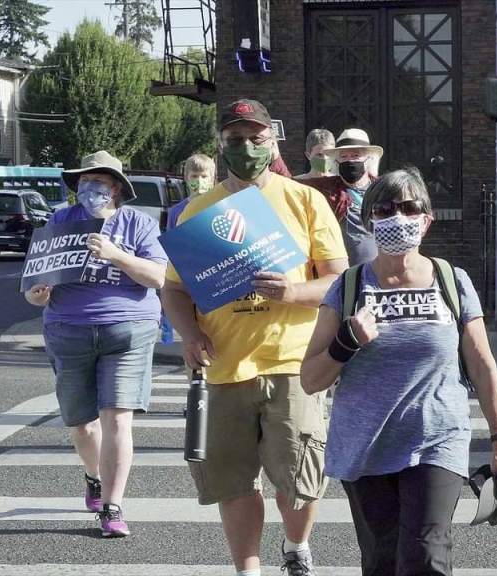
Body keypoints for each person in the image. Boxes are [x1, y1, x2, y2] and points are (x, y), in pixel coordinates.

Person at [300, 168, 497, 576]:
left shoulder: (452, 281)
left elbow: (482, 365)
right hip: (366, 446)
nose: (397, 217)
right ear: (369, 222)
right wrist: (347, 340)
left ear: (427, 219)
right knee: (382, 563)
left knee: (425, 556)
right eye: (384, 209)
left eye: (408, 207)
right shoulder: (349, 287)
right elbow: (311, 378)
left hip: (437, 440)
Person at [161, 99, 348, 576]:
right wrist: (188, 335)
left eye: (256, 137)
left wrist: (293, 291)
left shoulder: (305, 201)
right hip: (224, 366)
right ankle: (248, 569)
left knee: (299, 480)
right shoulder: (198, 211)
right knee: (233, 484)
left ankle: (296, 546)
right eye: (235, 139)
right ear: (221, 144)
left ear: (273, 141)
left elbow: (339, 281)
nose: (246, 147)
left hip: (294, 364)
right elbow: (174, 289)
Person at [25, 150, 167, 538]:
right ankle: (94, 476)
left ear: (116, 188)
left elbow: (158, 277)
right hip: (68, 328)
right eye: (84, 181)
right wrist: (37, 294)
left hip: (128, 329)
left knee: (117, 418)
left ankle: (112, 506)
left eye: (99, 181)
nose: (90, 188)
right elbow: (34, 287)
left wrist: (115, 254)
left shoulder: (138, 223)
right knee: (82, 426)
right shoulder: (60, 221)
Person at [303, 128, 384, 265]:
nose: (349, 160)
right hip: (345, 271)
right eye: (344, 156)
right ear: (337, 161)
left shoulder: (383, 189)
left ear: (368, 158)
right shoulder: (328, 189)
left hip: (381, 270)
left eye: (355, 155)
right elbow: (293, 185)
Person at [167, 153, 216, 230]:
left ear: (212, 179)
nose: (199, 180)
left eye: (204, 176)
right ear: (186, 178)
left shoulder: (218, 208)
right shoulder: (176, 211)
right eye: (194, 176)